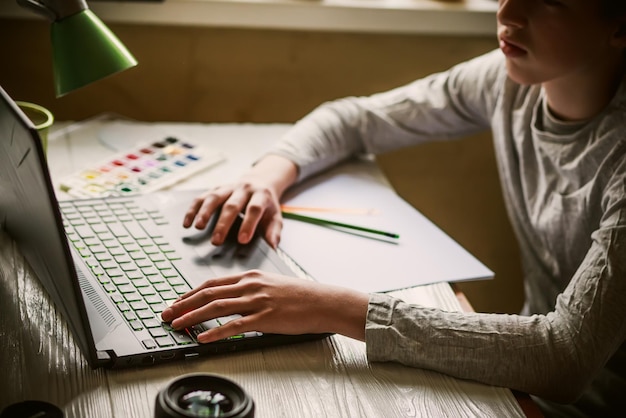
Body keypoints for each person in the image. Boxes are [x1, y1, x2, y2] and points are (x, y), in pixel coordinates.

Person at [161, 0, 626, 416]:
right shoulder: (505, 80)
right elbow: (354, 119)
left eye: (549, 2)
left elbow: (564, 356)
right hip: (514, 381)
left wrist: (334, 307)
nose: (508, 14)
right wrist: (264, 176)